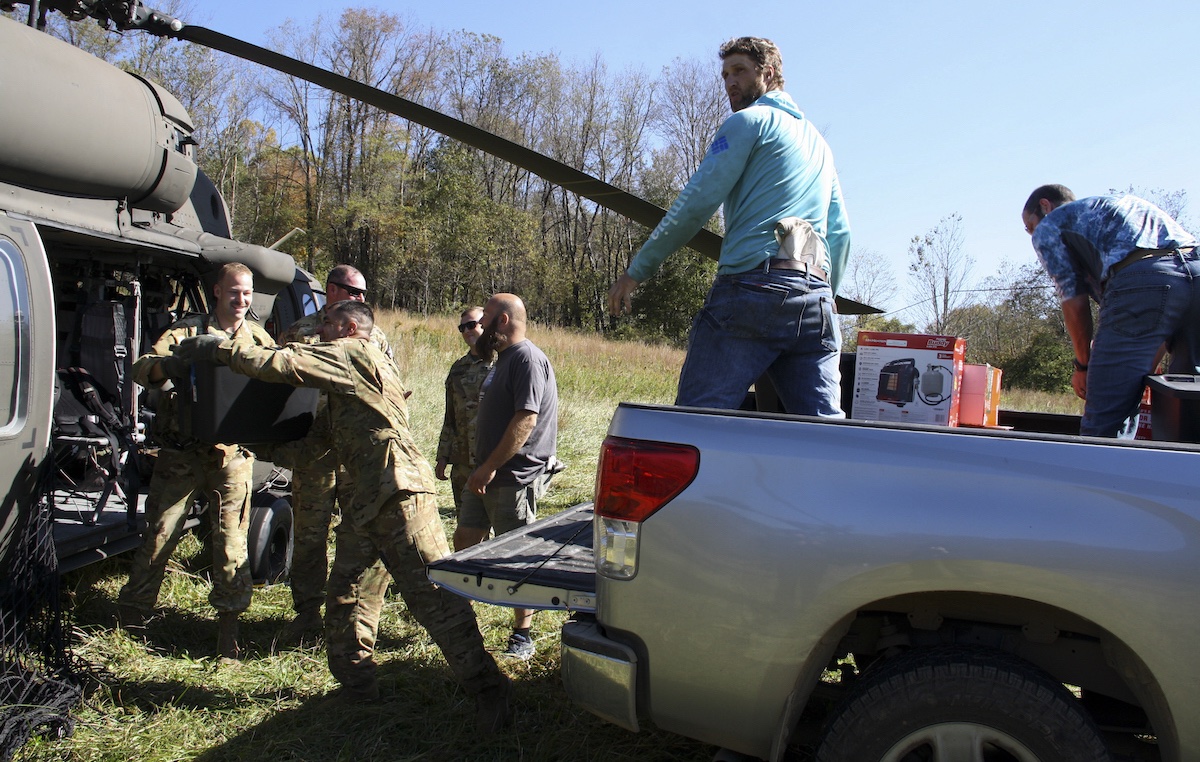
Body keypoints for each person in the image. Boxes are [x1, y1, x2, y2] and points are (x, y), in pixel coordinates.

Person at [173, 300, 512, 728]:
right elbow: (318, 450)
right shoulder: (344, 384)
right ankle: (357, 688)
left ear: (350, 328)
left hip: (399, 493)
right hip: (367, 500)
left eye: (328, 325)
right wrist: (245, 442)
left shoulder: (355, 352)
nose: (319, 333)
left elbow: (281, 362)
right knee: (349, 594)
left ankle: (489, 690)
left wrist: (217, 349)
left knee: (433, 597)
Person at [608, 36, 851, 416]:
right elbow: (840, 234)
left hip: (753, 289)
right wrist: (827, 295)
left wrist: (636, 271)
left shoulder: (748, 122)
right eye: (724, 74)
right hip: (816, 299)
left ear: (768, 73)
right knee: (825, 438)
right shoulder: (820, 145)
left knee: (697, 425)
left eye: (739, 71)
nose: (729, 82)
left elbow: (696, 203)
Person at [117, 262, 273, 662]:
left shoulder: (257, 337)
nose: (241, 300)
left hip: (231, 457)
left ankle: (228, 633)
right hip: (182, 452)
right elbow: (139, 370)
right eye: (234, 292)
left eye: (248, 294)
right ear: (218, 292)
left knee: (231, 545)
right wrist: (169, 366)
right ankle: (132, 622)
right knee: (159, 534)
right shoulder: (188, 331)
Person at [274, 264, 393, 645]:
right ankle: (307, 613)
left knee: (358, 533)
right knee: (310, 535)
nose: (361, 299)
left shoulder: (374, 335)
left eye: (362, 293)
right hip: (314, 452)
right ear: (332, 290)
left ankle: (349, 616)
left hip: (356, 454)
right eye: (353, 292)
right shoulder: (299, 332)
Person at [1022, 185, 1200, 437]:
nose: (1032, 234)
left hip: (1143, 281)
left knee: (1106, 420)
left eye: (1030, 226)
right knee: (1189, 408)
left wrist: (1083, 366)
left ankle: (1100, 472)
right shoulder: (1122, 205)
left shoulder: (1051, 224)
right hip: (1196, 269)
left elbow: (1074, 300)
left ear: (1045, 206)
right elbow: (1167, 297)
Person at [461, 293, 559, 661]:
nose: (480, 326)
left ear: (503, 320)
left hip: (511, 476)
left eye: (485, 318)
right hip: (485, 471)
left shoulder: (527, 359)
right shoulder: (503, 360)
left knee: (516, 555)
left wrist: (490, 467)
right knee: (466, 536)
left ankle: (523, 634)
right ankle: (462, 616)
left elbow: (526, 419)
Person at [434, 306, 495, 551]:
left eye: (473, 324)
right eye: (463, 327)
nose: (467, 331)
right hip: (462, 462)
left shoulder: (503, 362)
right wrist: (442, 456)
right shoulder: (458, 368)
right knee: (467, 527)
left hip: (491, 460)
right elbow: (450, 416)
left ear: (487, 324)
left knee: (497, 528)